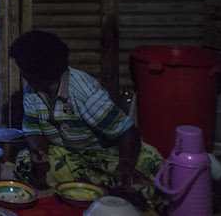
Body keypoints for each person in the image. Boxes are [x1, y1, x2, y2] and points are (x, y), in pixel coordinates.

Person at [9, 30, 162, 205]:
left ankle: (100, 185)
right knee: (24, 161)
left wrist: (126, 163)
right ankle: (110, 189)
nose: (22, 74)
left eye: (24, 69)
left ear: (40, 71)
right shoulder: (32, 89)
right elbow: (33, 130)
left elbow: (127, 130)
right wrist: (39, 152)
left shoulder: (83, 91)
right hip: (68, 154)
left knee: (151, 161)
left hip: (103, 152)